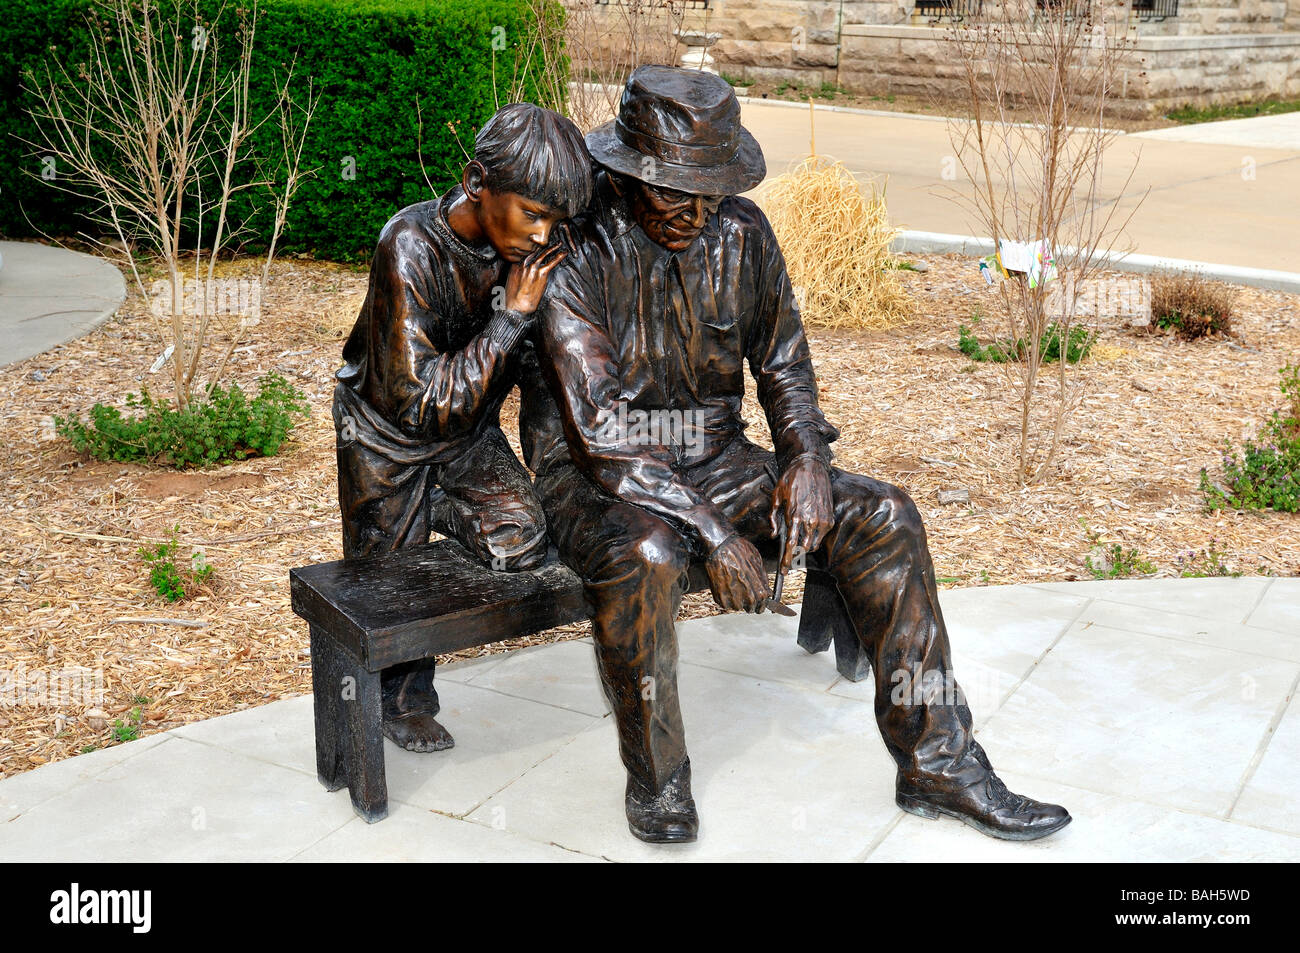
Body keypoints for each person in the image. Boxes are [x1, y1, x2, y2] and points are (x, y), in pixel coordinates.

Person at [519, 66, 1071, 844]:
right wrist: (714, 533)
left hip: (714, 457)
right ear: (631, 170)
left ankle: (939, 758)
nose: (696, 209)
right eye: (675, 189)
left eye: (709, 189)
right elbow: (602, 430)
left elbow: (783, 364)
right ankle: (658, 776)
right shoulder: (575, 252)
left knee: (884, 514)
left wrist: (806, 458)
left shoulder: (741, 233)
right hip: (597, 478)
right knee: (648, 552)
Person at [334, 103, 593, 754]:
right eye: (533, 213)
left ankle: (446, 501)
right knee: (385, 589)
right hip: (385, 435)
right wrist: (511, 319)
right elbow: (417, 402)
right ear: (478, 182)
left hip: (465, 434)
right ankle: (401, 702)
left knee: (522, 545)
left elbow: (542, 376)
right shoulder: (409, 245)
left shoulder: (526, 260)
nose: (543, 235)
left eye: (555, 221)